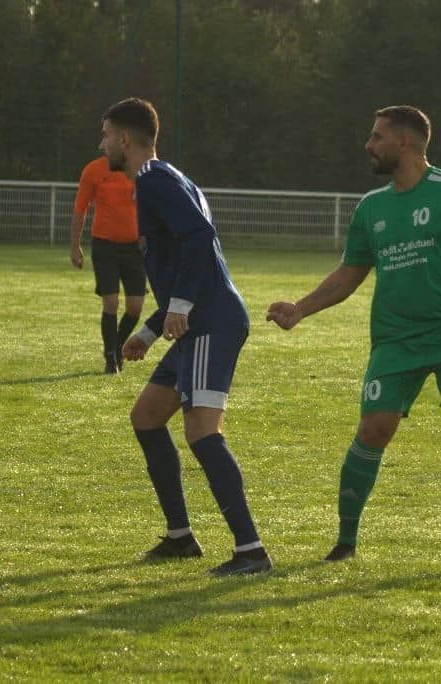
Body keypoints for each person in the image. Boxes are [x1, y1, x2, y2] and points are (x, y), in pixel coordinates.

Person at [267, 105, 441, 562]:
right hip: (396, 341)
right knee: (373, 429)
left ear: (403, 142)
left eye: (376, 137)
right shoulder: (371, 207)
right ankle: (345, 543)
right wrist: (300, 309)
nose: (368, 145)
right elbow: (349, 274)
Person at [102, 97, 271, 576]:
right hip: (197, 319)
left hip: (211, 321)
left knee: (202, 431)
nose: (102, 144)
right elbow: (186, 261)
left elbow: (199, 238)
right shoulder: (167, 178)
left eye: (106, 134)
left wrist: (178, 309)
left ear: (125, 140)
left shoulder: (155, 181)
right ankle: (180, 538)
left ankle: (251, 550)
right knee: (147, 417)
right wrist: (152, 329)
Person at [70, 154, 146, 374]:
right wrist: (75, 246)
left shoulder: (139, 168)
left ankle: (119, 346)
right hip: (105, 246)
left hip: (134, 248)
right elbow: (80, 208)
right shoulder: (94, 170)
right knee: (110, 303)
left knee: (135, 307)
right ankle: (111, 358)